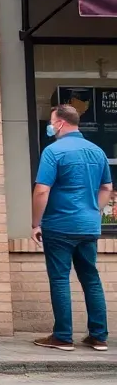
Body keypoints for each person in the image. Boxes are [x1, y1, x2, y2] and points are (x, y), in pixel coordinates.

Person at [31, 104, 113, 351]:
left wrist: (36, 222)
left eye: (52, 121)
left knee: (59, 279)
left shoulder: (53, 151)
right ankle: (99, 336)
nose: (50, 125)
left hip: (59, 225)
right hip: (88, 226)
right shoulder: (97, 151)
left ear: (60, 123)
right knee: (91, 278)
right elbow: (107, 188)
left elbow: (42, 189)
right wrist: (92, 210)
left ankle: (63, 336)